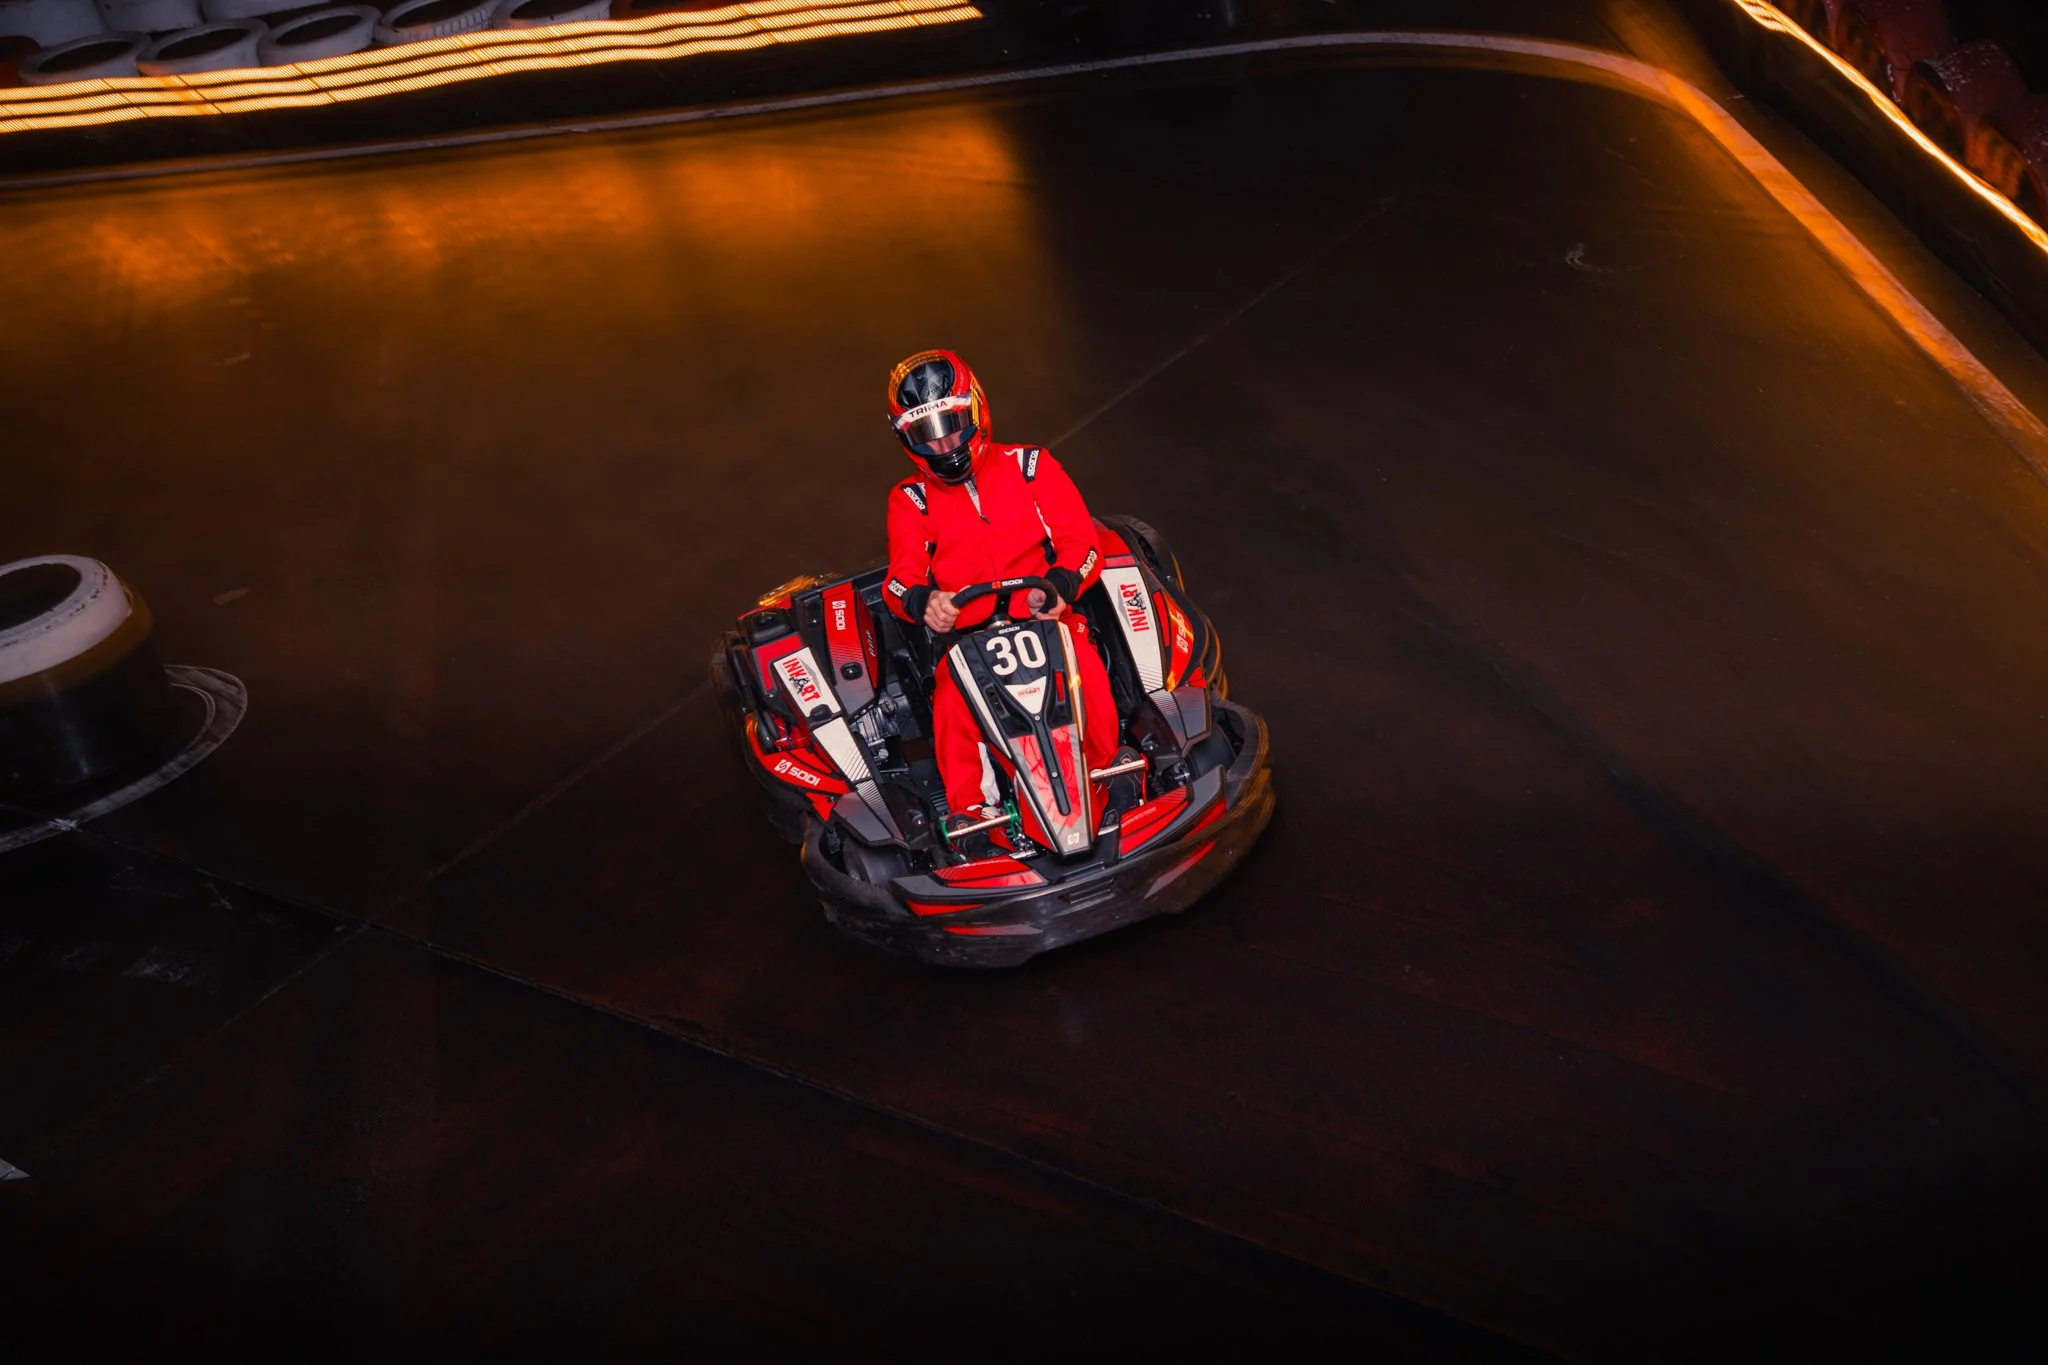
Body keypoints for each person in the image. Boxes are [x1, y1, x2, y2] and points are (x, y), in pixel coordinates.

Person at [878, 349, 1135, 847]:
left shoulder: (1031, 465)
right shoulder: (910, 499)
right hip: (968, 638)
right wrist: (923, 601)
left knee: (1081, 665)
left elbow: (1082, 544)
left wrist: (1060, 587)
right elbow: (897, 579)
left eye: (951, 426)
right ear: (907, 439)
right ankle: (975, 817)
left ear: (974, 412)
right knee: (952, 701)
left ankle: (1106, 773)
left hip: (1044, 616)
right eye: (925, 436)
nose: (944, 445)